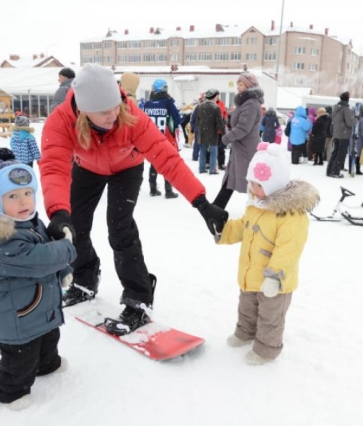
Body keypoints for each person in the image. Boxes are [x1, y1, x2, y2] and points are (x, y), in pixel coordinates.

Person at [39, 64, 228, 334]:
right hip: (86, 168)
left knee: (120, 228)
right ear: (83, 109)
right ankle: (84, 278)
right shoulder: (61, 120)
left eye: (115, 105)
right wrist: (58, 211)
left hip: (127, 168)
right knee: (74, 225)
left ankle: (138, 298)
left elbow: (166, 156)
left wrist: (201, 202)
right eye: (104, 111)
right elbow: (54, 167)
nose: (114, 115)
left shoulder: (129, 114)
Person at [0, 148, 76, 410]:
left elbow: (46, 247)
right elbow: (39, 259)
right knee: (19, 357)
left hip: (37, 307)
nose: (24, 202)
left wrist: (63, 271)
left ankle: (47, 364)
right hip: (15, 315)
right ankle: (10, 392)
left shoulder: (28, 222)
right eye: (13, 196)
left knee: (47, 340)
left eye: (28, 193)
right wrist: (67, 247)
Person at [218, 142, 319, 365]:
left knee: (270, 316)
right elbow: (244, 226)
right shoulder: (256, 205)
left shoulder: (291, 215)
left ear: (274, 184)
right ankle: (245, 332)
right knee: (247, 306)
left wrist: (275, 276)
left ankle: (266, 349)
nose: (253, 189)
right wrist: (223, 230)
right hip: (251, 274)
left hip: (275, 280)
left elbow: (289, 249)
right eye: (251, 183)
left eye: (259, 184)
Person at [212, 72, 264, 209]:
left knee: (252, 181)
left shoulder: (251, 103)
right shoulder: (246, 102)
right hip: (240, 147)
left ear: (248, 85)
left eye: (240, 84)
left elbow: (243, 128)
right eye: (238, 84)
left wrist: (226, 139)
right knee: (232, 177)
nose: (238, 87)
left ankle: (262, 207)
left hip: (247, 149)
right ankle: (217, 206)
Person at [144, 78, 182, 198]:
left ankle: (153, 188)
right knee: (167, 164)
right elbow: (177, 120)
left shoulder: (147, 103)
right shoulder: (169, 102)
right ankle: (168, 190)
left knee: (154, 163)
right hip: (165, 138)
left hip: (151, 139)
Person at [192, 88, 225, 174]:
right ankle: (212, 169)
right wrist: (223, 133)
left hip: (202, 131)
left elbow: (196, 119)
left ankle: (202, 168)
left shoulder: (199, 106)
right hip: (212, 132)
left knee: (203, 150)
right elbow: (219, 122)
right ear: (214, 97)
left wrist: (197, 129)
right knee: (213, 151)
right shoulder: (216, 107)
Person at [326, 92, 356, 178]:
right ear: (347, 99)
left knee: (335, 153)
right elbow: (350, 123)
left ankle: (329, 170)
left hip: (336, 134)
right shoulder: (346, 109)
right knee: (341, 154)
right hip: (344, 135)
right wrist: (356, 119)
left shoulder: (335, 109)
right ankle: (335, 172)